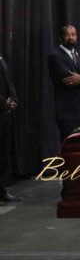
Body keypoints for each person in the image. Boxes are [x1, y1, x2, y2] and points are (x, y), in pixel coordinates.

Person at [48, 25, 80, 141]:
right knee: (71, 148)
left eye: (73, 34)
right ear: (60, 38)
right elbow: (69, 79)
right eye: (67, 35)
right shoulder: (55, 56)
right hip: (69, 114)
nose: (71, 37)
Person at [0, 54, 22, 204]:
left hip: (5, 115)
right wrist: (3, 103)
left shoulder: (1, 58)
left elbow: (9, 81)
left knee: (3, 154)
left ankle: (1, 192)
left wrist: (13, 99)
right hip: (1, 108)